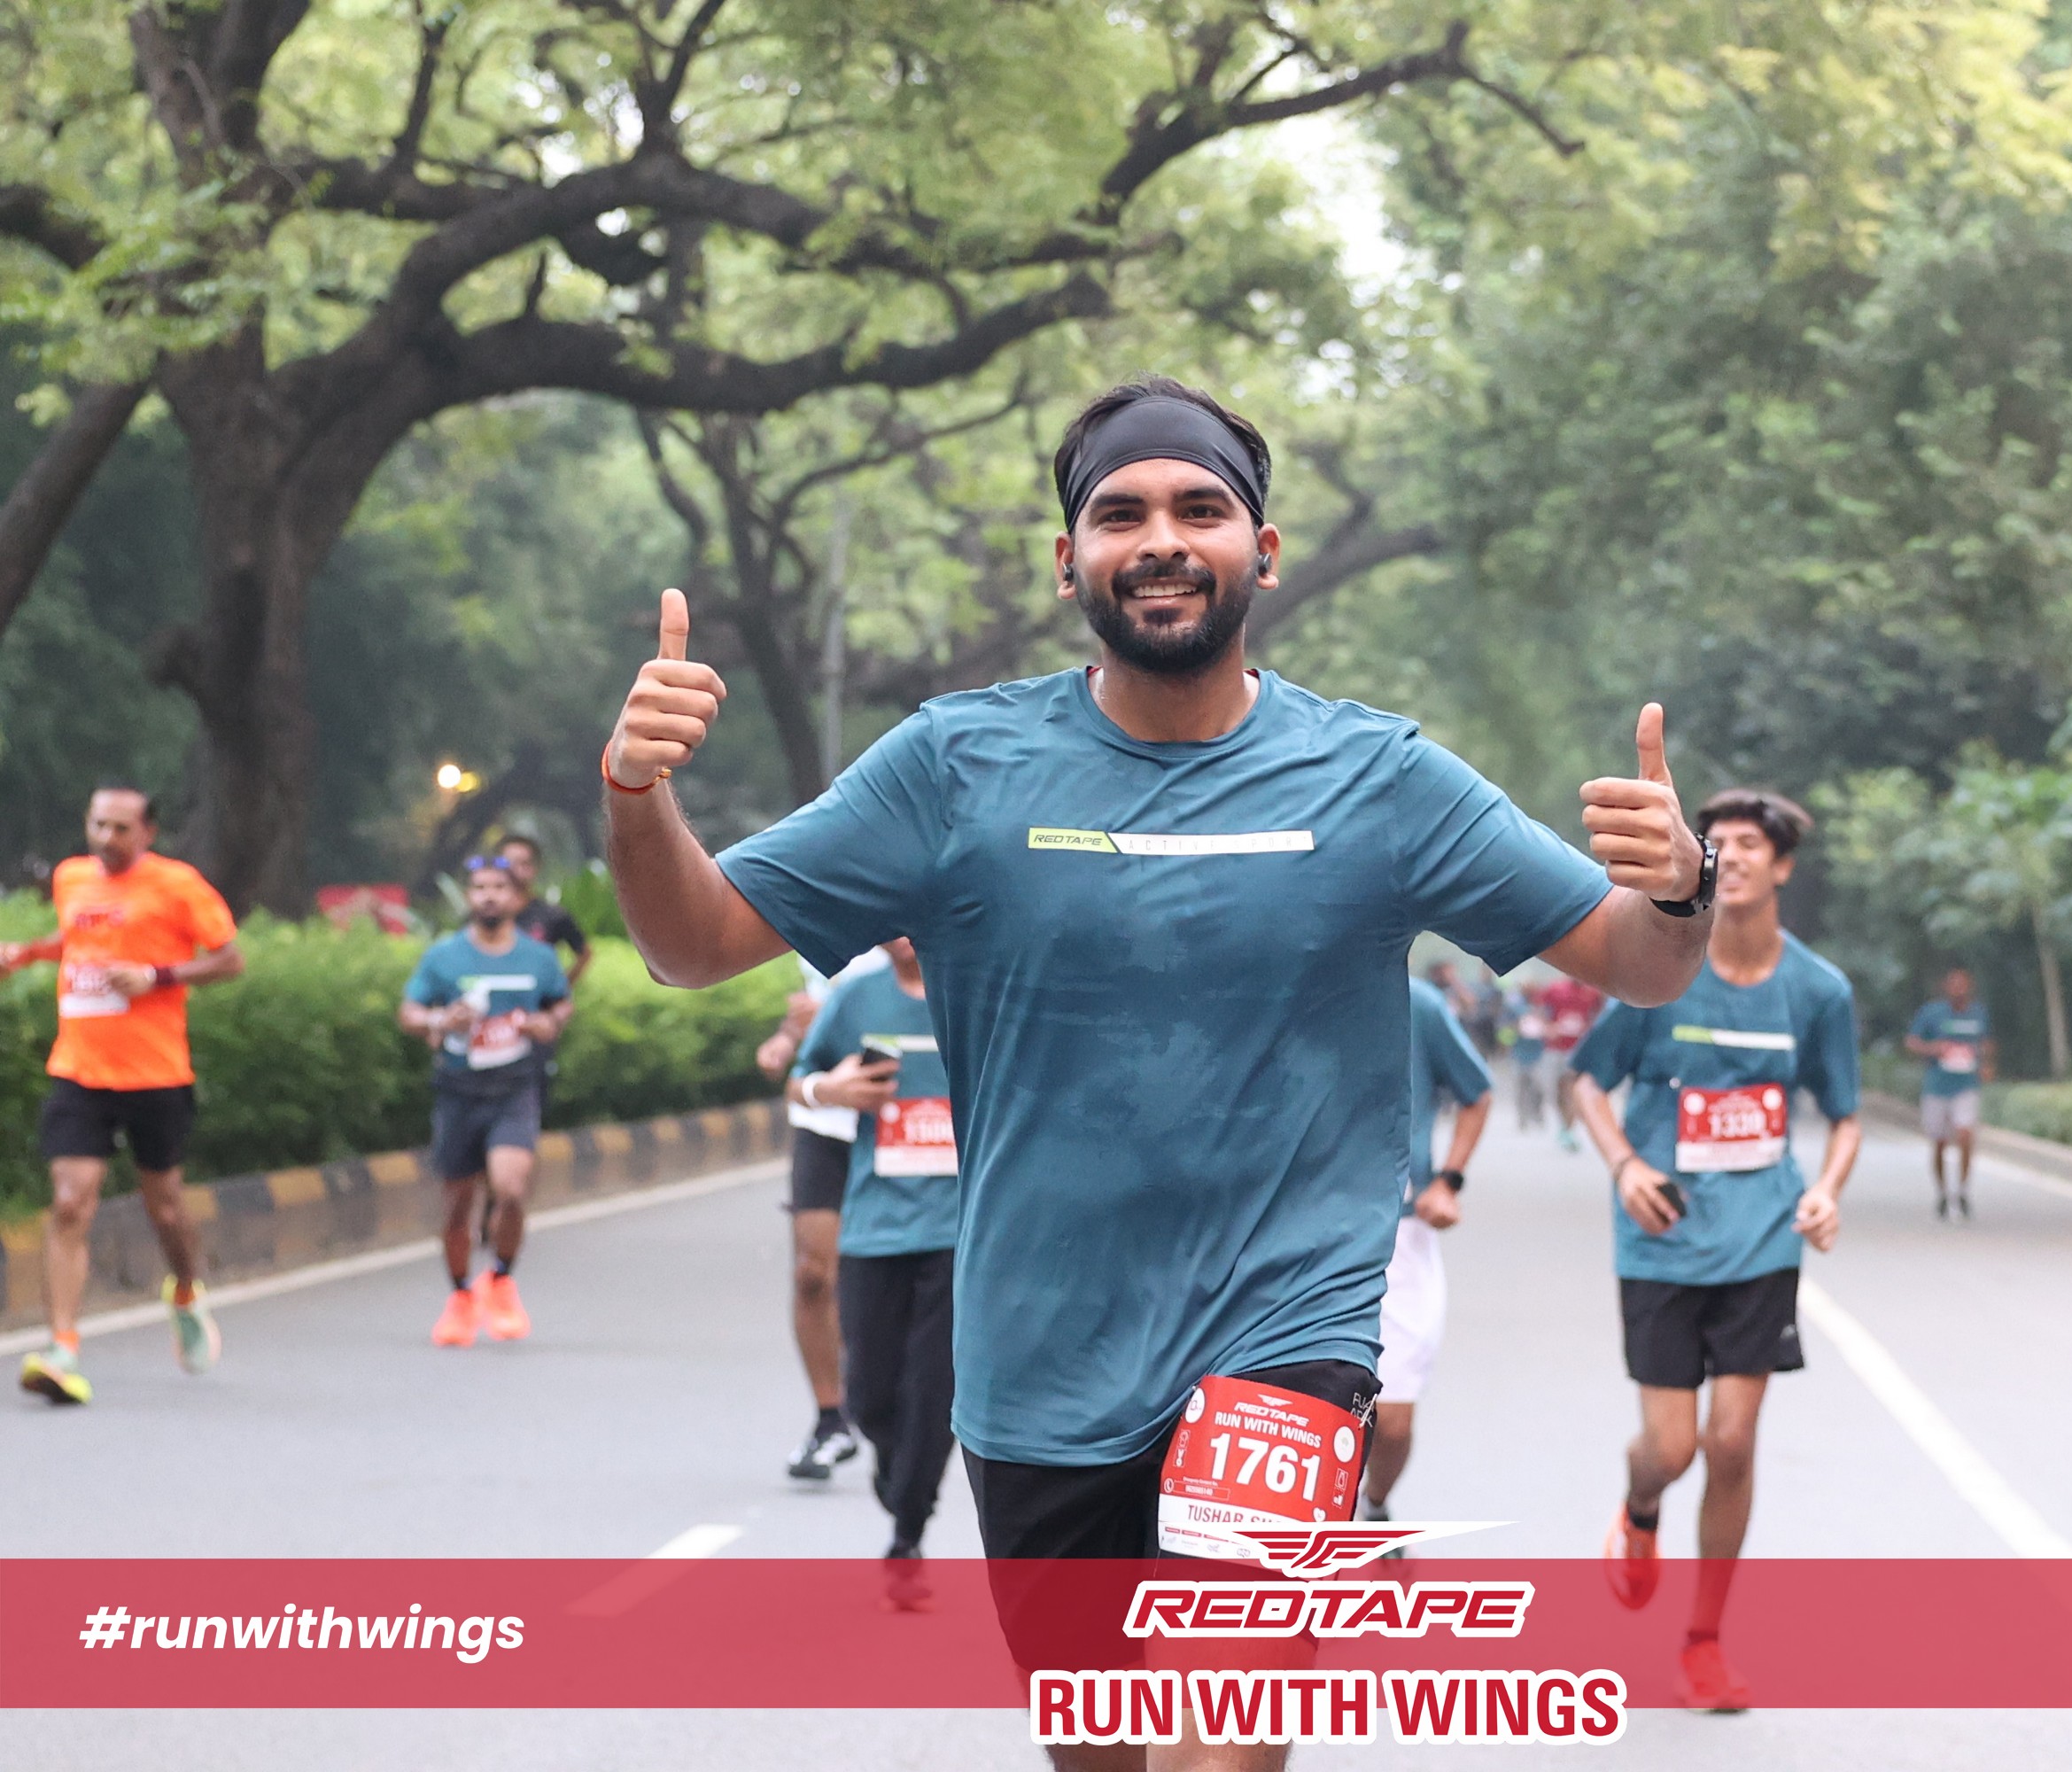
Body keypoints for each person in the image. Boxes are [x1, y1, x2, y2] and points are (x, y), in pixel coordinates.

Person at [600, 375, 1714, 1770]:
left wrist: (1683, 886)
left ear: (1265, 549)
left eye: (1201, 507)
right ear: (1069, 561)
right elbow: (695, 944)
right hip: (1042, 1357)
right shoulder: (954, 768)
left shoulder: (1378, 779)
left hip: (1287, 1332)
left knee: (1220, 1735)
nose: (1163, 538)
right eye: (1120, 514)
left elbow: (1638, 963)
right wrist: (637, 795)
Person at [1568, 788, 1862, 1714]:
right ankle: (1639, 1506)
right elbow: (1587, 1081)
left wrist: (1826, 1189)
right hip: (1661, 1241)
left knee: (1731, 1442)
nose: (1728, 856)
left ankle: (1703, 1642)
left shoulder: (1818, 991)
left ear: (1782, 867)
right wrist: (1624, 1165)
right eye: (1716, 842)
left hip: (1762, 1239)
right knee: (1672, 1447)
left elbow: (1845, 1113)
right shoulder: (1661, 969)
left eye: (1748, 844)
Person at [4, 787, 244, 1405]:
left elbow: (229, 960)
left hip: (155, 1074)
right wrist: (28, 954)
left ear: (147, 833)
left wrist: (156, 976)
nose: (106, 839)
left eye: (120, 829)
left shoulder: (177, 885)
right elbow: (78, 941)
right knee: (69, 1203)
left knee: (165, 1208)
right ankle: (62, 1349)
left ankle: (185, 1292)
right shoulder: (71, 877)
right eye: (98, 825)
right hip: (79, 1070)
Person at [786, 937, 958, 1608]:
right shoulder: (857, 998)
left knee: (935, 1390)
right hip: (875, 1227)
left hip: (962, 1230)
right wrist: (830, 1088)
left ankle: (907, 1531)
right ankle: (897, 1477)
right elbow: (801, 1078)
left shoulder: (976, 989)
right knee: (869, 1395)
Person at [399, 857, 573, 1347]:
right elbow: (409, 1012)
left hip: (514, 1089)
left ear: (517, 898)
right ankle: (460, 1296)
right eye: (479, 887)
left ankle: (500, 1280)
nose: (489, 895)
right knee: (458, 1205)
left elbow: (560, 1002)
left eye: (499, 887)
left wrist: (549, 1023)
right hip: (458, 1089)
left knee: (511, 1188)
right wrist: (438, 1021)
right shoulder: (444, 957)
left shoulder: (539, 958)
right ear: (469, 897)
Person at [1362, 974, 1493, 1532]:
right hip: (1298, 1231)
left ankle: (1373, 1506)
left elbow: (1477, 1094)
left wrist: (1448, 1181)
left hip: (1400, 1236)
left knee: (1391, 1421)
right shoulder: (1288, 987)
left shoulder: (1419, 1004)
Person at [757, 944, 893, 1481]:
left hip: (898, 1120)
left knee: (895, 1275)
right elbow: (816, 1009)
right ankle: (831, 1420)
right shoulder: (821, 921)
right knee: (813, 1274)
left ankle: (900, 1408)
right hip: (824, 1121)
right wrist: (787, 1037)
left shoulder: (911, 928)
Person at [1905, 967, 1993, 1219]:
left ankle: (1963, 1189)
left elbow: (1986, 1043)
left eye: (1962, 984)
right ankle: (1943, 1192)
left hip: (1966, 1085)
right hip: (1937, 1087)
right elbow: (1911, 1042)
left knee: (1965, 1134)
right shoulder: (1932, 1013)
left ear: (1969, 987)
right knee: (1940, 1142)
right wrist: (1933, 1049)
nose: (1958, 989)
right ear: (1947, 987)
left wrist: (1987, 1064)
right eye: (1954, 984)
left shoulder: (1978, 1014)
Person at [495, 835, 594, 988]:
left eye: (524, 863)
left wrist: (557, 990)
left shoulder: (552, 915)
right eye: (509, 863)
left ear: (535, 867)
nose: (515, 870)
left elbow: (584, 954)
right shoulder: (485, 916)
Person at [1534, 971, 1605, 1150]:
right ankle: (1564, 1125)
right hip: (1554, 1049)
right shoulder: (1555, 989)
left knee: (1570, 1090)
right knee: (1555, 1091)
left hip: (1577, 1050)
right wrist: (1548, 1027)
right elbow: (1539, 1009)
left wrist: (1592, 1031)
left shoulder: (1593, 992)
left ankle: (1568, 1129)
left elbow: (1601, 1013)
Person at [1505, 983, 1550, 1131]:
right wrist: (1515, 1029)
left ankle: (1537, 1114)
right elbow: (1505, 1032)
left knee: (1539, 1087)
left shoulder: (1542, 1009)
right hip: (1519, 1053)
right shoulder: (1515, 1009)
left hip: (1537, 1054)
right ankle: (1522, 1118)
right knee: (1521, 1089)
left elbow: (1549, 1027)